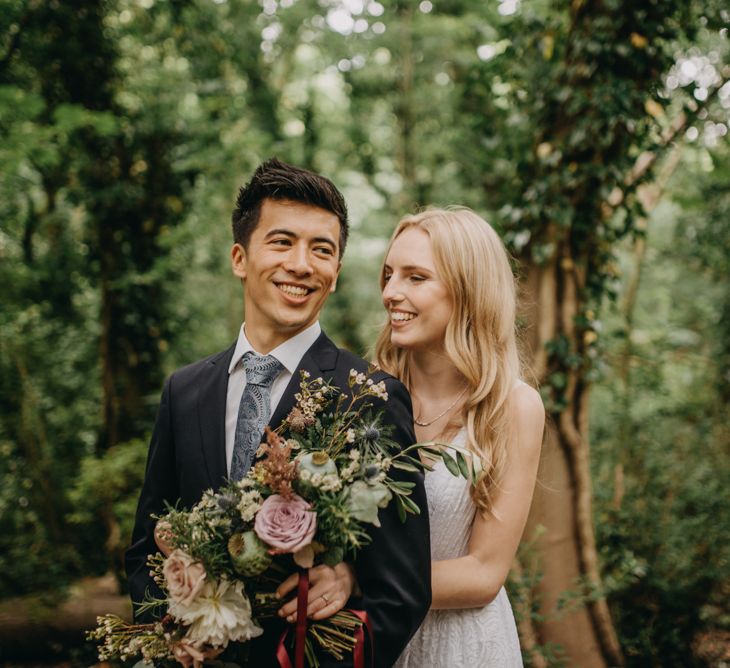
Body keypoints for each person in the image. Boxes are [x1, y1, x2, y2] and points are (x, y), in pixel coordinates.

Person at [124, 158, 431, 668]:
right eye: (283, 242)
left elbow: (400, 591)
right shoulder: (185, 391)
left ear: (334, 276)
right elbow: (145, 550)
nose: (302, 264)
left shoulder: (370, 397)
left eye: (322, 250)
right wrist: (168, 644)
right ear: (240, 258)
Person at [375, 207, 545, 667]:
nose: (391, 292)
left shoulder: (512, 407)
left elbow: (483, 574)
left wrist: (355, 582)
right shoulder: (364, 395)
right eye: (389, 275)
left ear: (468, 290)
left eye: (416, 278)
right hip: (376, 643)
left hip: (464, 647)